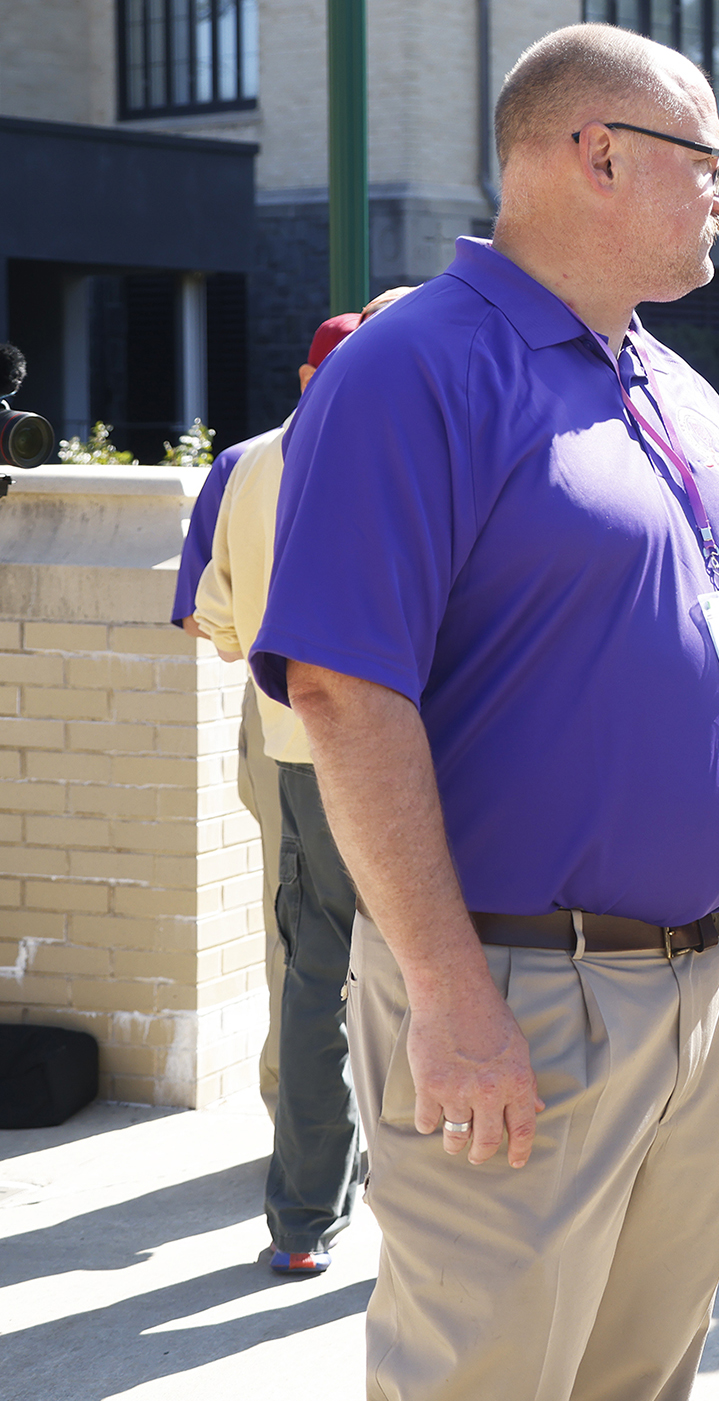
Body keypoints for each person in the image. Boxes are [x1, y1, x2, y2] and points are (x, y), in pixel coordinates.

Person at [247, 24, 719, 1399]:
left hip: (708, 985)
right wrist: (448, 996)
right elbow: (341, 686)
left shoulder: (677, 385)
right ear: (600, 155)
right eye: (710, 163)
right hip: (521, 995)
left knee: (643, 1374)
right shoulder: (414, 367)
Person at [193, 292, 408, 1275]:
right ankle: (437, 1214)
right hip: (412, 758)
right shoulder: (406, 451)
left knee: (318, 982)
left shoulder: (245, 464)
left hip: (295, 756)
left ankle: (305, 1223)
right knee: (443, 974)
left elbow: (218, 624)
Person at [170, 316, 356, 1116]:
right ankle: (305, 1119)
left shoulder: (248, 462)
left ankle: (301, 1131)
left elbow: (209, 626)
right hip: (303, 721)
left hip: (281, 713)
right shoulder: (252, 462)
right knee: (321, 941)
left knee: (306, 940)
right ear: (310, 379)